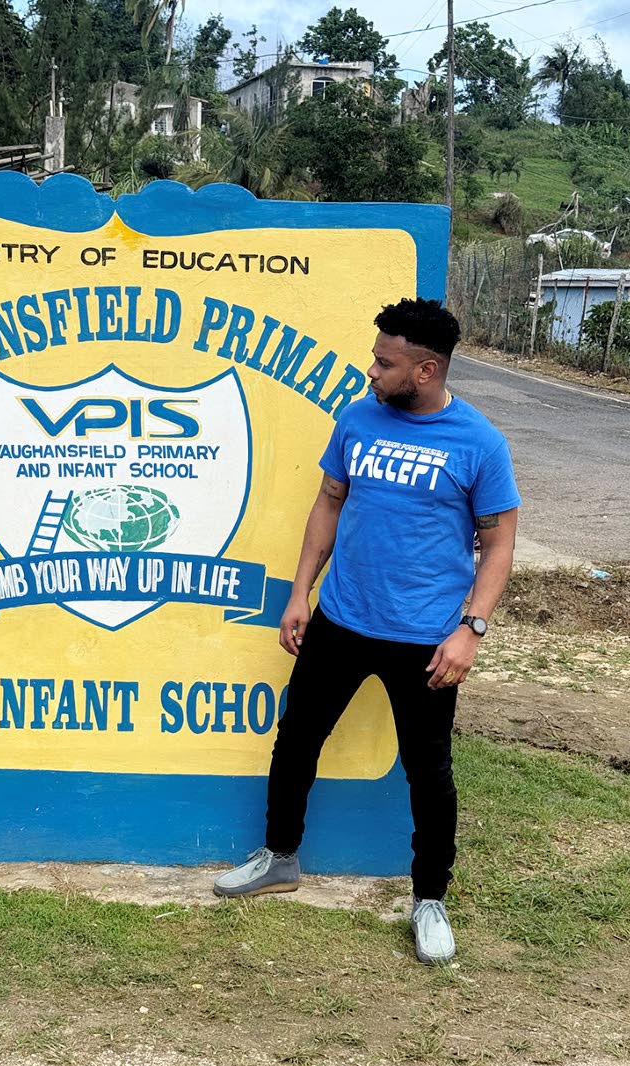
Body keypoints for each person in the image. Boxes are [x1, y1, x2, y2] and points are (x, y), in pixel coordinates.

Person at [213, 297, 520, 965]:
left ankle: (429, 899)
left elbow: (499, 544)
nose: (371, 371)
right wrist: (300, 594)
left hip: (427, 638)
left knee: (428, 772)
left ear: (426, 371)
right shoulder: (357, 420)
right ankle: (280, 858)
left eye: (385, 363)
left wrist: (471, 630)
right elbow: (329, 502)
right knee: (297, 739)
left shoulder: (478, 443)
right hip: (342, 619)